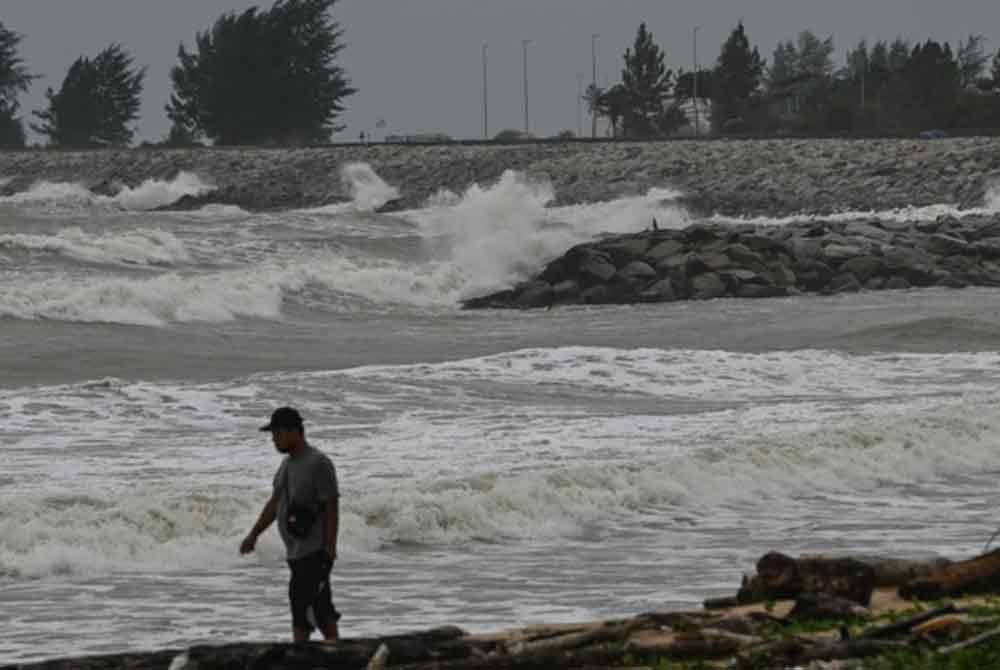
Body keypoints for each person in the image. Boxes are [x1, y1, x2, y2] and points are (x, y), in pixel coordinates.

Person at [240, 407, 341, 643]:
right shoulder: (286, 466)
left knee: (307, 612)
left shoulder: (318, 463)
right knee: (318, 612)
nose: (274, 439)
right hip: (296, 554)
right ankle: (330, 656)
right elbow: (275, 503)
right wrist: (253, 534)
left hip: (314, 553)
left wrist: (330, 547)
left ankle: (312, 659)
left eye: (277, 434)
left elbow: (331, 507)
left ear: (295, 431)